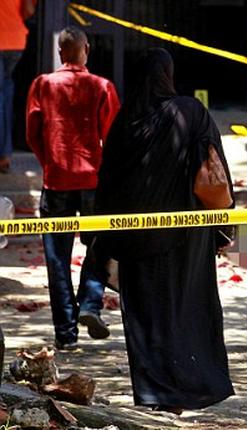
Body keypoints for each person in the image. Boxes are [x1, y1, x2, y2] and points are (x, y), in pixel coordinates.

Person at [95, 47, 234, 413]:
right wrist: (224, 228)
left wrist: (107, 240)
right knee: (188, 309)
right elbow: (215, 167)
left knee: (148, 317)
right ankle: (194, 386)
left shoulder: (125, 122)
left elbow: (108, 183)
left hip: (138, 239)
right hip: (189, 235)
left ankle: (158, 394)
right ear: (168, 75)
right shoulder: (190, 112)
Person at [26, 26, 119, 350]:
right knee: (99, 248)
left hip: (56, 182)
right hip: (93, 181)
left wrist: (50, 161)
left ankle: (66, 333)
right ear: (86, 50)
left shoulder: (42, 85)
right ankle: (91, 304)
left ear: (61, 52)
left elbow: (32, 134)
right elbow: (114, 137)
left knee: (57, 259)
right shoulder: (102, 86)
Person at [0, 0, 36, 173]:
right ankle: (5, 155)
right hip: (15, 41)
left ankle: (3, 153)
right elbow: (28, 11)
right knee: (6, 91)